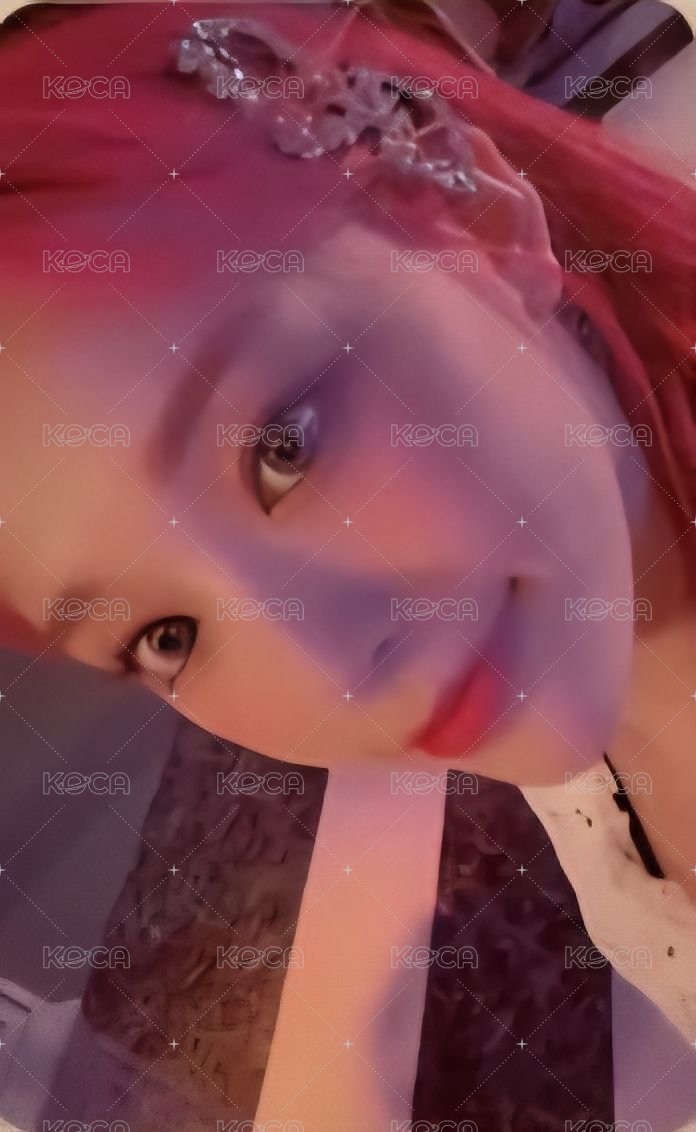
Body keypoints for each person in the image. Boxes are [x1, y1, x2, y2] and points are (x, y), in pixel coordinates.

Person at [0, 0, 695, 1126]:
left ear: (477, 218)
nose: (327, 666)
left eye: (285, 448)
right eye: (165, 637)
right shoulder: (559, 713)